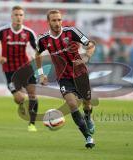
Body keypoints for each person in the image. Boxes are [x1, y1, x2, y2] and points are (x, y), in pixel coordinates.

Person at [35, 9, 96, 148]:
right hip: (63, 77)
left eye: (59, 20)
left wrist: (87, 56)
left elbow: (91, 44)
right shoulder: (43, 40)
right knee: (72, 104)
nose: (57, 23)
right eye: (54, 20)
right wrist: (41, 74)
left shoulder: (71, 32)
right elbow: (37, 55)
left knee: (87, 104)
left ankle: (87, 117)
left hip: (80, 74)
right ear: (48, 22)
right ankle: (88, 138)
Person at [0, 6, 38, 132]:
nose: (18, 17)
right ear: (12, 17)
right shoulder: (3, 31)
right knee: (20, 98)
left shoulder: (28, 33)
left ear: (23, 17)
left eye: (21, 15)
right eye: (16, 15)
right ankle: (21, 103)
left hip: (25, 67)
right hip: (9, 69)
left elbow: (38, 49)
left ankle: (32, 124)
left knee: (33, 94)